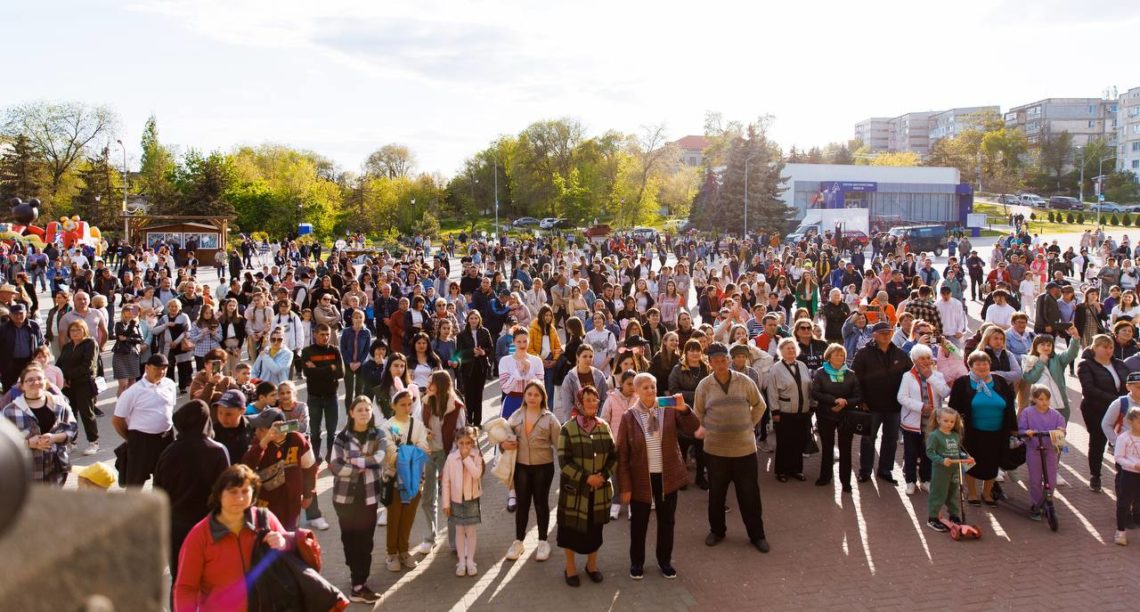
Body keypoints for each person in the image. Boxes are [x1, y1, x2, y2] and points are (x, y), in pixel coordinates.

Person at [173, 464, 292, 611]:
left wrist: (283, 542)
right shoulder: (200, 535)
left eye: (245, 491)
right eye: (233, 491)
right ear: (219, 494)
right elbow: (185, 588)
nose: (240, 498)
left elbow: (292, 552)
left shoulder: (265, 519)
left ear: (253, 494)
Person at [616, 372, 699, 580]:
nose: (651, 391)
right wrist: (624, 487)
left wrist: (684, 409)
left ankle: (665, 561)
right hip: (641, 477)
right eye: (645, 387)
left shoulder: (669, 411)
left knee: (667, 521)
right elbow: (622, 455)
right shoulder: (629, 417)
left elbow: (693, 428)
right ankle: (637, 563)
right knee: (639, 523)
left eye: (653, 387)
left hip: (666, 475)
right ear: (636, 391)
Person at [695, 342, 770, 552]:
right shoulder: (704, 386)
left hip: (744, 450)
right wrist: (705, 429)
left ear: (728, 360)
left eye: (723, 360)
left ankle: (757, 535)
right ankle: (717, 531)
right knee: (716, 494)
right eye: (715, 361)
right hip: (715, 451)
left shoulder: (744, 381)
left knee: (749, 494)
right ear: (709, 363)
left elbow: (760, 405)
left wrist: (748, 425)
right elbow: (698, 413)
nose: (720, 364)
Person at [153, 400, 230, 582]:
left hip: (177, 525)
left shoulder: (169, 452)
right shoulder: (217, 451)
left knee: (181, 578)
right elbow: (227, 490)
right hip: (210, 526)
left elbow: (158, 491)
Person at [329, 395, 389, 603]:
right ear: (351, 413)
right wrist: (363, 466)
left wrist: (354, 462)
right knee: (350, 539)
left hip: (369, 497)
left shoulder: (378, 434)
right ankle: (356, 575)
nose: (364, 413)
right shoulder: (341, 437)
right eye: (360, 409)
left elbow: (380, 458)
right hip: (344, 498)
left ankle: (359, 584)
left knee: (365, 541)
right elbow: (335, 466)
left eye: (367, 409)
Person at [556, 385, 617, 586]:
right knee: (570, 531)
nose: (592, 403)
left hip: (598, 490)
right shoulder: (568, 428)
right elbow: (564, 462)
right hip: (575, 491)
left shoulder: (604, 426)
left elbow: (613, 456)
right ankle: (570, 568)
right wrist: (585, 478)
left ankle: (591, 566)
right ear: (579, 403)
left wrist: (603, 475)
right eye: (587, 400)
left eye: (595, 400)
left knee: (594, 530)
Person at [500, 380, 560, 562]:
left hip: (543, 466)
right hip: (521, 467)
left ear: (543, 397)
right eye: (529, 394)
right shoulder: (515, 416)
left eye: (536, 394)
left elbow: (560, 445)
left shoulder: (550, 418)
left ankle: (543, 541)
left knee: (541, 503)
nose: (532, 398)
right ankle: (518, 541)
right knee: (523, 504)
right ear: (524, 396)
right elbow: (503, 443)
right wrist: (504, 444)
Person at [948, 351, 1017, 505]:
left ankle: (987, 493)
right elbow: (953, 409)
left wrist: (1014, 429)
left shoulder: (1000, 381)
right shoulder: (962, 383)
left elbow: (1010, 406)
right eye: (977, 364)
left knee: (993, 462)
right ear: (970, 366)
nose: (982, 366)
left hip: (998, 431)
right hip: (971, 432)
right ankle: (972, 493)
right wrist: (952, 430)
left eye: (985, 363)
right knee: (970, 462)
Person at [852, 321, 913, 484]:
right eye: (883, 333)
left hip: (894, 406)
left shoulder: (900, 354)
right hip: (870, 406)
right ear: (874, 335)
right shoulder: (863, 354)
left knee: (890, 439)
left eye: (889, 332)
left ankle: (885, 470)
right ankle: (865, 471)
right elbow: (855, 379)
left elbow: (910, 376)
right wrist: (861, 400)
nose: (887, 335)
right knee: (868, 439)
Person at [415, 370, 467, 556]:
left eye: (432, 383)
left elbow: (462, 435)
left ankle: (454, 541)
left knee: (452, 498)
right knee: (428, 496)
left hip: (448, 455)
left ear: (441, 385)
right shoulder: (426, 402)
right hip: (429, 453)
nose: (428, 386)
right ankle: (430, 537)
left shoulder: (457, 406)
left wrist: (455, 458)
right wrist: (424, 433)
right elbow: (419, 424)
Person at [241, 407, 318, 531]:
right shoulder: (258, 443)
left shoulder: (297, 440)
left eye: (261, 429)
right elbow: (246, 466)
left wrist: (309, 494)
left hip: (291, 502)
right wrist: (263, 443)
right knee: (266, 537)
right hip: (265, 503)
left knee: (290, 535)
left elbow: (310, 467)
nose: (256, 432)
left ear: (277, 430)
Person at [1, 364, 77, 485]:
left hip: (56, 468)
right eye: (30, 380)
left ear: (46, 382)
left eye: (39, 378)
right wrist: (28, 443)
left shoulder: (59, 403)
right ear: (22, 386)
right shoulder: (10, 411)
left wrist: (54, 438)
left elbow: (72, 428)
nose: (36, 382)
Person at [383, 389, 430, 572]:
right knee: (394, 517)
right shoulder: (386, 427)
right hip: (394, 481)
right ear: (393, 405)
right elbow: (391, 454)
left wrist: (407, 453)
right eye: (402, 404)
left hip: (414, 479)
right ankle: (391, 553)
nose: (407, 407)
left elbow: (424, 449)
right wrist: (412, 453)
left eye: (410, 403)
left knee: (408, 517)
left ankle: (404, 550)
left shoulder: (418, 425)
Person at [1077, 333, 1129, 493]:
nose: (1109, 350)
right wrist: (1115, 400)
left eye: (1111, 347)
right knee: (1098, 442)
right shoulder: (1086, 365)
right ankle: (1095, 476)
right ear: (1095, 348)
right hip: (1095, 409)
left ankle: (1125, 474)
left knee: (1123, 440)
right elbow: (1089, 389)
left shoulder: (1119, 364)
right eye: (1104, 347)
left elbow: (1127, 384)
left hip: (1120, 410)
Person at [898, 344, 950, 495]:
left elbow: (946, 392)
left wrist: (930, 377)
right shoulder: (907, 376)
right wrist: (920, 406)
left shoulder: (937, 375)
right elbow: (901, 397)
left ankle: (926, 480)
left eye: (928, 357)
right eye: (922, 358)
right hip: (912, 423)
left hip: (932, 423)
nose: (926, 361)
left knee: (929, 452)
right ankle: (910, 481)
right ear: (914, 360)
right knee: (910, 453)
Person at [811, 344, 860, 491]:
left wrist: (845, 402)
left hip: (846, 415)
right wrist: (834, 401)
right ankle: (825, 477)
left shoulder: (851, 374)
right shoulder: (821, 373)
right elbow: (815, 393)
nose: (840, 357)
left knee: (846, 448)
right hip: (826, 414)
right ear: (829, 356)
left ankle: (846, 481)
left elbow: (858, 396)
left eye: (842, 355)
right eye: (836, 354)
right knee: (827, 447)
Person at [1017, 386, 1066, 521]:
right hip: (1034, 449)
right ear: (1034, 399)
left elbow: (1062, 428)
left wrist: (1061, 430)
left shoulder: (1055, 414)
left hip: (1050, 450)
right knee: (1035, 479)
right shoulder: (1027, 412)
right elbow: (1021, 429)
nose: (1045, 402)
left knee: (1051, 479)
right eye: (1041, 399)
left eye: (1047, 399)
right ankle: (1035, 504)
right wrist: (1026, 432)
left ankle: (1047, 502)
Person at [766, 337, 811, 483]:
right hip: (784, 412)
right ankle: (781, 471)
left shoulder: (803, 365)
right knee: (785, 442)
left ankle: (796, 469)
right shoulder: (775, 368)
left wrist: (813, 405)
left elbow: (809, 386)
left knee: (799, 442)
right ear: (781, 352)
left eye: (793, 348)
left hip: (803, 411)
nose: (791, 350)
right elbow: (772, 392)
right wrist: (775, 412)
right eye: (788, 348)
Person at [442, 425, 484, 577]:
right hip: (456, 500)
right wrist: (446, 503)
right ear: (456, 442)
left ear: (472, 443)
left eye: (468, 443)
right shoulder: (451, 458)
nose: (465, 446)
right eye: (461, 443)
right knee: (459, 531)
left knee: (471, 531)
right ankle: (461, 561)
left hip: (472, 499)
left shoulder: (476, 456)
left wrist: (466, 459)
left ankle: (470, 560)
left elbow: (477, 474)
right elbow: (446, 481)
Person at [669, 339, 710, 489]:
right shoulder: (677, 370)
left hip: (702, 414)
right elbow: (673, 391)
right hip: (683, 413)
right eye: (691, 350)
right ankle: (682, 478)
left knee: (701, 449)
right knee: (682, 448)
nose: (695, 353)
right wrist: (696, 394)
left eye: (697, 350)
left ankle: (700, 477)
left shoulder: (706, 368)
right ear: (685, 352)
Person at [57, 319, 102, 456]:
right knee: (70, 414)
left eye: (78, 329)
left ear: (84, 330)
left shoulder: (90, 343)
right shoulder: (67, 346)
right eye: (72, 330)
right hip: (68, 386)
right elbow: (59, 364)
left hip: (84, 383)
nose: (75, 332)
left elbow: (87, 366)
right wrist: (61, 378)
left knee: (86, 413)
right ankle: (72, 442)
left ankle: (94, 442)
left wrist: (68, 376)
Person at [300, 323, 343, 464]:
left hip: (332, 396)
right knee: (314, 432)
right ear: (315, 334)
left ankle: (331, 457)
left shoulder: (335, 350)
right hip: (314, 397)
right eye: (322, 334)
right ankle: (316, 458)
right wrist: (329, 368)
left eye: (327, 335)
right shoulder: (307, 352)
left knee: (332, 432)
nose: (325, 337)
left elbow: (340, 373)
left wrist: (317, 369)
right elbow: (307, 373)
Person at [924, 407, 972, 532]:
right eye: (946, 421)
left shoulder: (955, 435)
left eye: (952, 421)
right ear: (939, 420)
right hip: (941, 471)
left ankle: (954, 515)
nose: (949, 424)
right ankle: (933, 517)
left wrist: (966, 457)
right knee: (938, 493)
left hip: (955, 470)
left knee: (953, 494)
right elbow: (929, 452)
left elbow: (958, 451)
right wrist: (941, 460)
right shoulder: (935, 436)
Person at [456, 310, 494, 426]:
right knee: (468, 395)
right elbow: (459, 353)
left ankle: (477, 422)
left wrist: (483, 352)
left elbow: (490, 348)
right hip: (468, 368)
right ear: (468, 319)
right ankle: (469, 420)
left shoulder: (485, 331)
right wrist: (471, 352)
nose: (473, 320)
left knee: (478, 394)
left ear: (479, 320)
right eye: (471, 318)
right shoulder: (462, 334)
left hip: (481, 366)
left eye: (476, 318)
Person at [498, 328, 545, 421]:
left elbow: (541, 387)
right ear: (513, 341)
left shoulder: (537, 361)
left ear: (529, 341)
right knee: (510, 433)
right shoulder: (505, 361)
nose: (522, 344)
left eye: (525, 341)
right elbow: (505, 389)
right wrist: (518, 372)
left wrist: (529, 372)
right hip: (512, 402)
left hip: (533, 402)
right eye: (518, 341)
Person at [557, 345, 610, 423]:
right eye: (584, 356)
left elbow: (604, 399)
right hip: (576, 422)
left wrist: (598, 418)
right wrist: (579, 420)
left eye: (590, 356)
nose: (588, 359)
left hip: (596, 420)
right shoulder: (569, 378)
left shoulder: (599, 376)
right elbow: (567, 405)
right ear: (578, 357)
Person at [0, 303, 43, 392]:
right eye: (15, 314)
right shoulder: (3, 329)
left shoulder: (34, 326)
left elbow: (41, 343)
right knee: (11, 391)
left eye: (21, 313)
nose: (18, 316)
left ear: (26, 313)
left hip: (29, 363)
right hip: (10, 365)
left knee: (30, 389)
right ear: (10, 315)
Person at [1113, 406, 1140, 546]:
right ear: (1130, 422)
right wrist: (1133, 465)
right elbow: (1118, 457)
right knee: (1123, 503)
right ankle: (1120, 531)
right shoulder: (1123, 438)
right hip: (1129, 475)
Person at [211, 389, 252, 465]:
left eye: (229, 414)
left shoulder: (252, 427)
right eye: (220, 412)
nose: (223, 418)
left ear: (242, 411)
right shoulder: (212, 432)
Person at [112, 304, 144, 395]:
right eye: (128, 310)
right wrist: (131, 328)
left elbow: (140, 339)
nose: (130, 312)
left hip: (133, 354)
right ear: (123, 312)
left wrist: (127, 339)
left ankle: (130, 404)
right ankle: (121, 405)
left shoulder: (137, 324)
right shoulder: (119, 324)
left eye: (132, 310)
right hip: (120, 355)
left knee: (132, 383)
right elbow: (121, 336)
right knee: (123, 384)